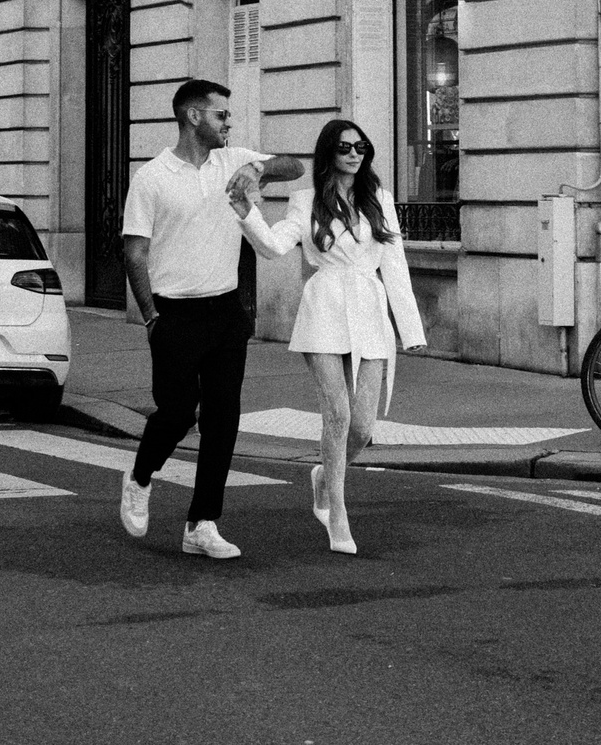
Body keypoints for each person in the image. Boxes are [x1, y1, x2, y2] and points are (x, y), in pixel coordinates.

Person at [119, 79, 305, 560]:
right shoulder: (153, 178)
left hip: (225, 309)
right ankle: (140, 476)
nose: (229, 122)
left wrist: (254, 166)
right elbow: (134, 253)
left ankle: (202, 523)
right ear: (194, 116)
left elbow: (295, 165)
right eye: (222, 115)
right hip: (173, 312)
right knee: (178, 412)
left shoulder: (231, 158)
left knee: (223, 420)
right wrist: (150, 318)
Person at [234, 118, 424, 555]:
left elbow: (394, 264)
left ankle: (324, 475)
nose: (354, 154)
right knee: (336, 413)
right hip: (323, 306)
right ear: (329, 153)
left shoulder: (379, 199)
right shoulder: (306, 200)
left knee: (361, 427)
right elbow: (274, 246)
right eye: (344, 147)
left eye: (361, 146)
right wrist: (247, 211)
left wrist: (409, 328)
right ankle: (337, 511)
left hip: (370, 309)